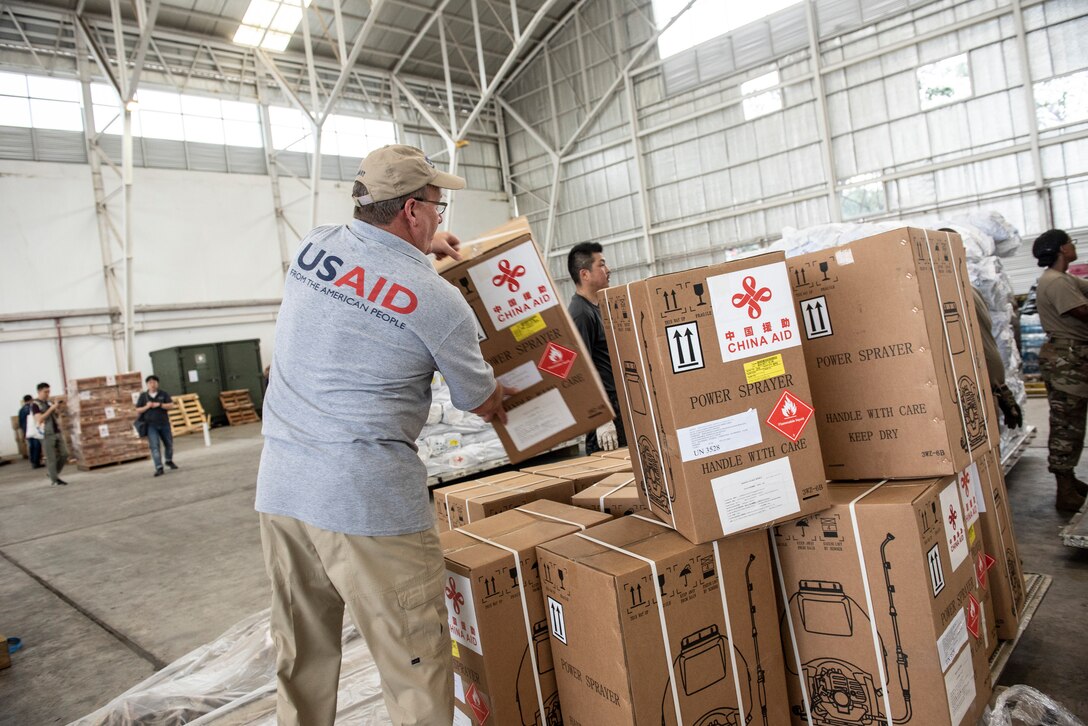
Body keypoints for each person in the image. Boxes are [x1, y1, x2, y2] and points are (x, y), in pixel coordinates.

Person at [255, 144, 509, 726]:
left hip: (284, 492)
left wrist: (422, 253)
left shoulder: (313, 246)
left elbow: (373, 277)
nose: (440, 222)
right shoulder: (440, 304)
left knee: (302, 653)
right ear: (413, 211)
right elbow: (479, 399)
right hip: (368, 504)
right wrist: (512, 394)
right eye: (438, 211)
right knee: (413, 664)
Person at [1031, 229, 1088, 513]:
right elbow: (1083, 312)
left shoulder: (1064, 279)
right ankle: (1063, 490)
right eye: (1070, 243)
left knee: (1073, 420)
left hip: (1073, 358)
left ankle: (1069, 480)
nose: (1073, 246)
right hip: (1068, 361)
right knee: (1067, 423)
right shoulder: (1055, 282)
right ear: (1062, 249)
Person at [567, 242, 626, 454]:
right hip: (605, 423)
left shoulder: (598, 308)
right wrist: (602, 419)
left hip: (619, 412)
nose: (608, 270)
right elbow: (580, 372)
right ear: (585, 274)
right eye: (601, 265)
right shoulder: (580, 314)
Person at [135, 375, 177, 477]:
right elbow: (138, 409)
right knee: (155, 447)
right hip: (150, 426)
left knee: (169, 444)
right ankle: (159, 467)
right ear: (147, 385)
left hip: (164, 424)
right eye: (150, 383)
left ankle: (168, 460)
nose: (152, 384)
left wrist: (160, 405)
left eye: (154, 382)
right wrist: (147, 406)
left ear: (157, 383)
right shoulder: (143, 396)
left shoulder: (163, 394)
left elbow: (171, 405)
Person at [31, 383, 68, 486]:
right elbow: (39, 419)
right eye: (45, 392)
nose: (47, 394)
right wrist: (51, 409)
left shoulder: (48, 402)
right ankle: (55, 480)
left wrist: (56, 408)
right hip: (46, 433)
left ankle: (52, 474)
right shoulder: (35, 405)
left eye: (49, 391)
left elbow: (55, 415)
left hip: (56, 431)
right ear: (39, 391)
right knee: (51, 457)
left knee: (65, 454)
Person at [18, 394, 42, 468]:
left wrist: (24, 431)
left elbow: (20, 422)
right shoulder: (31, 408)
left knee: (31, 446)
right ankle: (36, 462)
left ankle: (32, 461)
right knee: (37, 446)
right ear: (31, 400)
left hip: (26, 431)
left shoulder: (21, 410)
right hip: (33, 430)